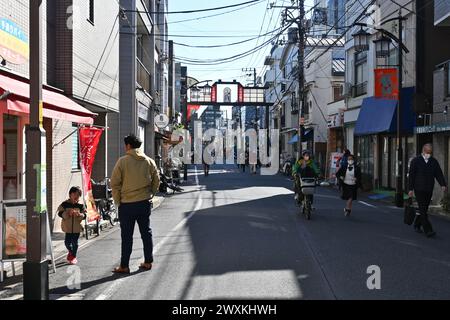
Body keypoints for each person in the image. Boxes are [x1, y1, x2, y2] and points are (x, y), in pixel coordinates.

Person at [111, 134, 160, 273]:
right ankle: (148, 262)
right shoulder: (149, 161)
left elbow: (115, 183)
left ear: (128, 146)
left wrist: (118, 201)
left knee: (127, 236)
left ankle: (124, 266)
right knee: (146, 232)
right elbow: (157, 180)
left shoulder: (122, 161)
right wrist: (151, 194)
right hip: (144, 202)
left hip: (127, 204)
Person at [408, 143, 447, 238]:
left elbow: (438, 173)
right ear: (423, 151)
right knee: (422, 208)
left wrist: (442, 184)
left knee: (424, 209)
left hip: (429, 188)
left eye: (430, 152)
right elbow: (411, 176)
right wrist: (410, 189)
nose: (429, 154)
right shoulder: (415, 161)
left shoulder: (434, 161)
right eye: (427, 152)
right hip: (419, 188)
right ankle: (428, 230)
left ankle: (417, 224)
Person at [57, 186, 87, 265]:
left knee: (75, 243)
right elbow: (59, 213)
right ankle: (71, 253)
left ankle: (73, 257)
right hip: (68, 227)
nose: (76, 196)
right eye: (75, 194)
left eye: (78, 195)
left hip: (77, 227)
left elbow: (85, 215)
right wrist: (67, 214)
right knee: (67, 243)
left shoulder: (81, 205)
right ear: (70, 194)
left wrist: (80, 215)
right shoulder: (65, 204)